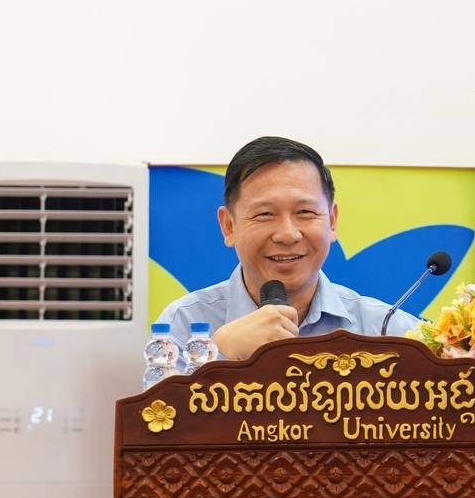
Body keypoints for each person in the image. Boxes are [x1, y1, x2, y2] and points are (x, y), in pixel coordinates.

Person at [156, 136, 419, 359]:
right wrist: (219, 353)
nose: (287, 235)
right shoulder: (184, 324)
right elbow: (162, 404)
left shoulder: (387, 331)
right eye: (265, 214)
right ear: (228, 226)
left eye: (305, 212)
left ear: (332, 221)